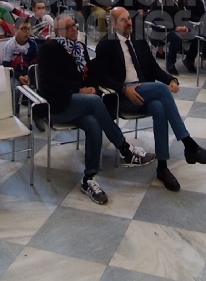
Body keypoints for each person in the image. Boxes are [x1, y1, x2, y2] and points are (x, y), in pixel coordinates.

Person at [91, 7, 206, 191]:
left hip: (145, 89)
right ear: (113, 24)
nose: (128, 22)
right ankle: (189, 145)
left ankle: (162, 167)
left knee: (160, 108)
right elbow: (101, 76)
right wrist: (123, 88)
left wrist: (170, 79)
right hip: (123, 96)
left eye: (129, 18)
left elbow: (153, 68)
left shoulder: (138, 40)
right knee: (161, 90)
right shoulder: (106, 45)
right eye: (123, 20)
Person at [36, 14, 151, 203]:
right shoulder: (49, 49)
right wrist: (79, 89)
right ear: (58, 32)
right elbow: (49, 82)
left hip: (79, 102)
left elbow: (91, 73)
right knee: (95, 102)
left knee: (93, 123)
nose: (75, 28)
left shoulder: (79, 47)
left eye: (75, 25)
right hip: (57, 104)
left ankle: (89, 178)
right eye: (70, 27)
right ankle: (124, 147)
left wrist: (92, 88)